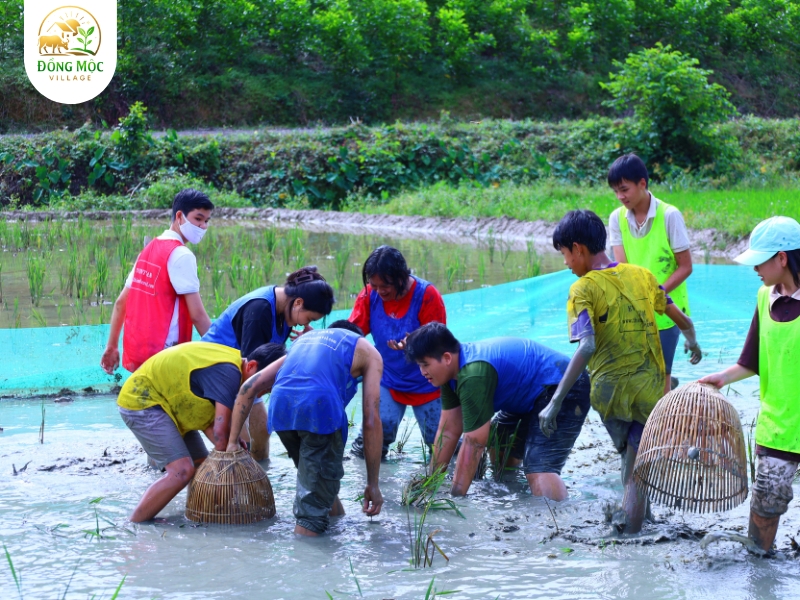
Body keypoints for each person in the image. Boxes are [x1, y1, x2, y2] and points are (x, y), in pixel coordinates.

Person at [548, 209, 702, 534]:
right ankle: (641, 522)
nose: (565, 263)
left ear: (578, 248)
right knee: (635, 460)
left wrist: (557, 400)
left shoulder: (581, 290)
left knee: (631, 463)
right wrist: (693, 342)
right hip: (649, 389)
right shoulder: (642, 276)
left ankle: (631, 539)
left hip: (609, 394)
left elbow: (586, 346)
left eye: (564, 254)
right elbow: (680, 317)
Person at [225, 321, 384, 536]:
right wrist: (372, 484)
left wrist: (233, 441)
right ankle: (306, 560)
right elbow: (371, 420)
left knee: (317, 486)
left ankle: (336, 527)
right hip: (317, 408)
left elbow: (249, 387)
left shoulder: (306, 341)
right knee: (311, 515)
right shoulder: (368, 351)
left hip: (281, 410)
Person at [699, 216, 800, 555]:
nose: (755, 268)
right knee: (765, 507)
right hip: (779, 427)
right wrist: (723, 378)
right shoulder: (763, 297)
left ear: (782, 258)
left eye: (760, 260)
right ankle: (760, 572)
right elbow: (752, 360)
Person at [404, 322, 591, 501]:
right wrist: (430, 483)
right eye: (419, 365)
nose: (422, 372)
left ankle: (557, 523)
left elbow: (474, 441)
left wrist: (456, 497)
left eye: (425, 364)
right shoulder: (450, 375)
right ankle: (514, 492)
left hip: (563, 387)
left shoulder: (473, 373)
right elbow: (448, 431)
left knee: (539, 466)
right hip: (530, 397)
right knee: (500, 440)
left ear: (446, 358)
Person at [117, 341, 286, 522]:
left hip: (173, 409)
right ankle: (136, 523)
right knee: (181, 471)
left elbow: (210, 424)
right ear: (251, 366)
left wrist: (234, 445)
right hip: (143, 400)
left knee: (200, 464)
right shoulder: (229, 373)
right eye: (264, 384)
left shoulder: (232, 371)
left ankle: (197, 513)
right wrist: (233, 458)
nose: (262, 393)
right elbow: (221, 437)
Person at [202, 266, 336, 460]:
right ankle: (240, 480)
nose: (304, 325)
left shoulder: (286, 311)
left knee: (262, 431)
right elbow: (253, 374)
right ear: (298, 303)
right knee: (242, 440)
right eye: (309, 318)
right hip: (215, 374)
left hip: (242, 373)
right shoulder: (260, 310)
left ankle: (259, 476)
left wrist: (303, 344)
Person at [101, 189, 214, 374]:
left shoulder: (148, 249)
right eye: (198, 219)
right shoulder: (182, 255)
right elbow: (198, 316)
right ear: (180, 216)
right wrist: (225, 350)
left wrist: (112, 346)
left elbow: (121, 302)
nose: (203, 226)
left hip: (140, 354)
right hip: (166, 356)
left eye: (206, 221)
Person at [349, 246, 446, 460]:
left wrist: (415, 345)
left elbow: (439, 340)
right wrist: (323, 339)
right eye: (374, 285)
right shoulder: (369, 295)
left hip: (427, 381)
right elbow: (352, 333)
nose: (379, 291)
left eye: (386, 285)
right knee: (371, 441)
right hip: (388, 376)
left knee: (441, 444)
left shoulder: (427, 295)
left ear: (402, 277)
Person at [607, 154, 693, 393]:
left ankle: (664, 419)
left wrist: (657, 295)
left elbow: (685, 266)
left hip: (667, 310)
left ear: (642, 184)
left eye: (624, 189)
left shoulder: (669, 216)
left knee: (661, 379)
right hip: (636, 311)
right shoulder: (617, 219)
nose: (620, 197)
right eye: (616, 192)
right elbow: (622, 269)